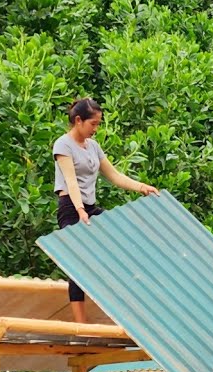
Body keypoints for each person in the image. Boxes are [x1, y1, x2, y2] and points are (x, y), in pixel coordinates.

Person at [52, 97, 160, 323]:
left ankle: (127, 308)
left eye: (99, 124)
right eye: (93, 124)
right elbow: (71, 181)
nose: (96, 129)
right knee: (78, 263)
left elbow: (114, 176)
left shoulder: (94, 147)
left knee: (121, 237)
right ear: (78, 121)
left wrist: (142, 187)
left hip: (89, 208)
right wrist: (80, 210)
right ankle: (81, 324)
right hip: (71, 209)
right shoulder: (63, 145)